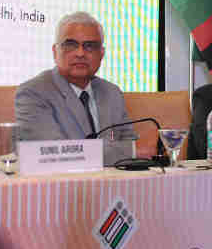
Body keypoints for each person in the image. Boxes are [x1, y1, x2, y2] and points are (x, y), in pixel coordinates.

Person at [15, 12, 133, 165]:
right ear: (55, 52)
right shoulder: (33, 93)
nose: (80, 53)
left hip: (115, 185)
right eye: (70, 45)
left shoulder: (112, 93)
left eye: (90, 46)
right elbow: (54, 155)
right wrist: (118, 152)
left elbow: (132, 147)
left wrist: (79, 150)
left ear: (101, 54)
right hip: (62, 186)